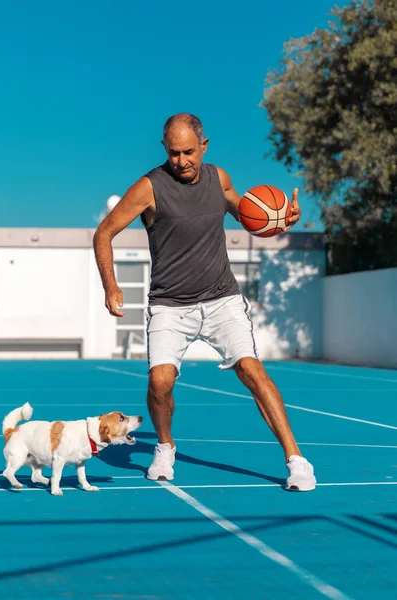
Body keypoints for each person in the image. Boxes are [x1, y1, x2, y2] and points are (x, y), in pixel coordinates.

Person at [93, 113, 316, 492]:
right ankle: (164, 447)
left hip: (221, 298)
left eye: (189, 152)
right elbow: (104, 233)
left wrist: (279, 221)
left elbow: (250, 217)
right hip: (169, 304)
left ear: (204, 146)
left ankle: (297, 460)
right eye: (174, 152)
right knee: (159, 381)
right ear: (165, 148)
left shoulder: (219, 179)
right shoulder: (148, 188)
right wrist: (110, 286)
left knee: (252, 370)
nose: (182, 160)